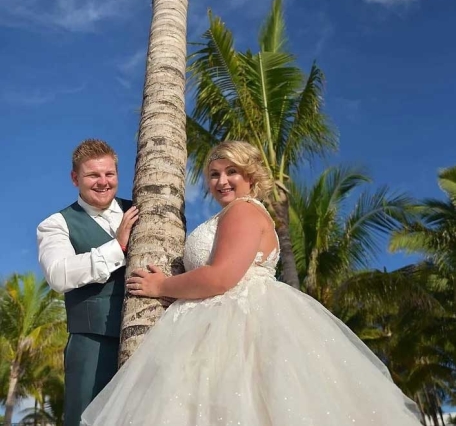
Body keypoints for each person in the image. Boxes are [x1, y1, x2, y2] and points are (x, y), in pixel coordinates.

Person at [81, 140, 421, 426]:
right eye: (214, 174)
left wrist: (161, 287)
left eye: (232, 172)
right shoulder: (231, 213)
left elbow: (221, 276)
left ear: (250, 176)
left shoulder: (243, 210)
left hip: (240, 323)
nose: (221, 181)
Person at [37, 139, 139, 426]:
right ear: (75, 178)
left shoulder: (142, 210)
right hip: (91, 343)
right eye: (93, 175)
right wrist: (116, 248)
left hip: (148, 332)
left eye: (109, 174)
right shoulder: (56, 224)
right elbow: (59, 274)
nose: (103, 182)